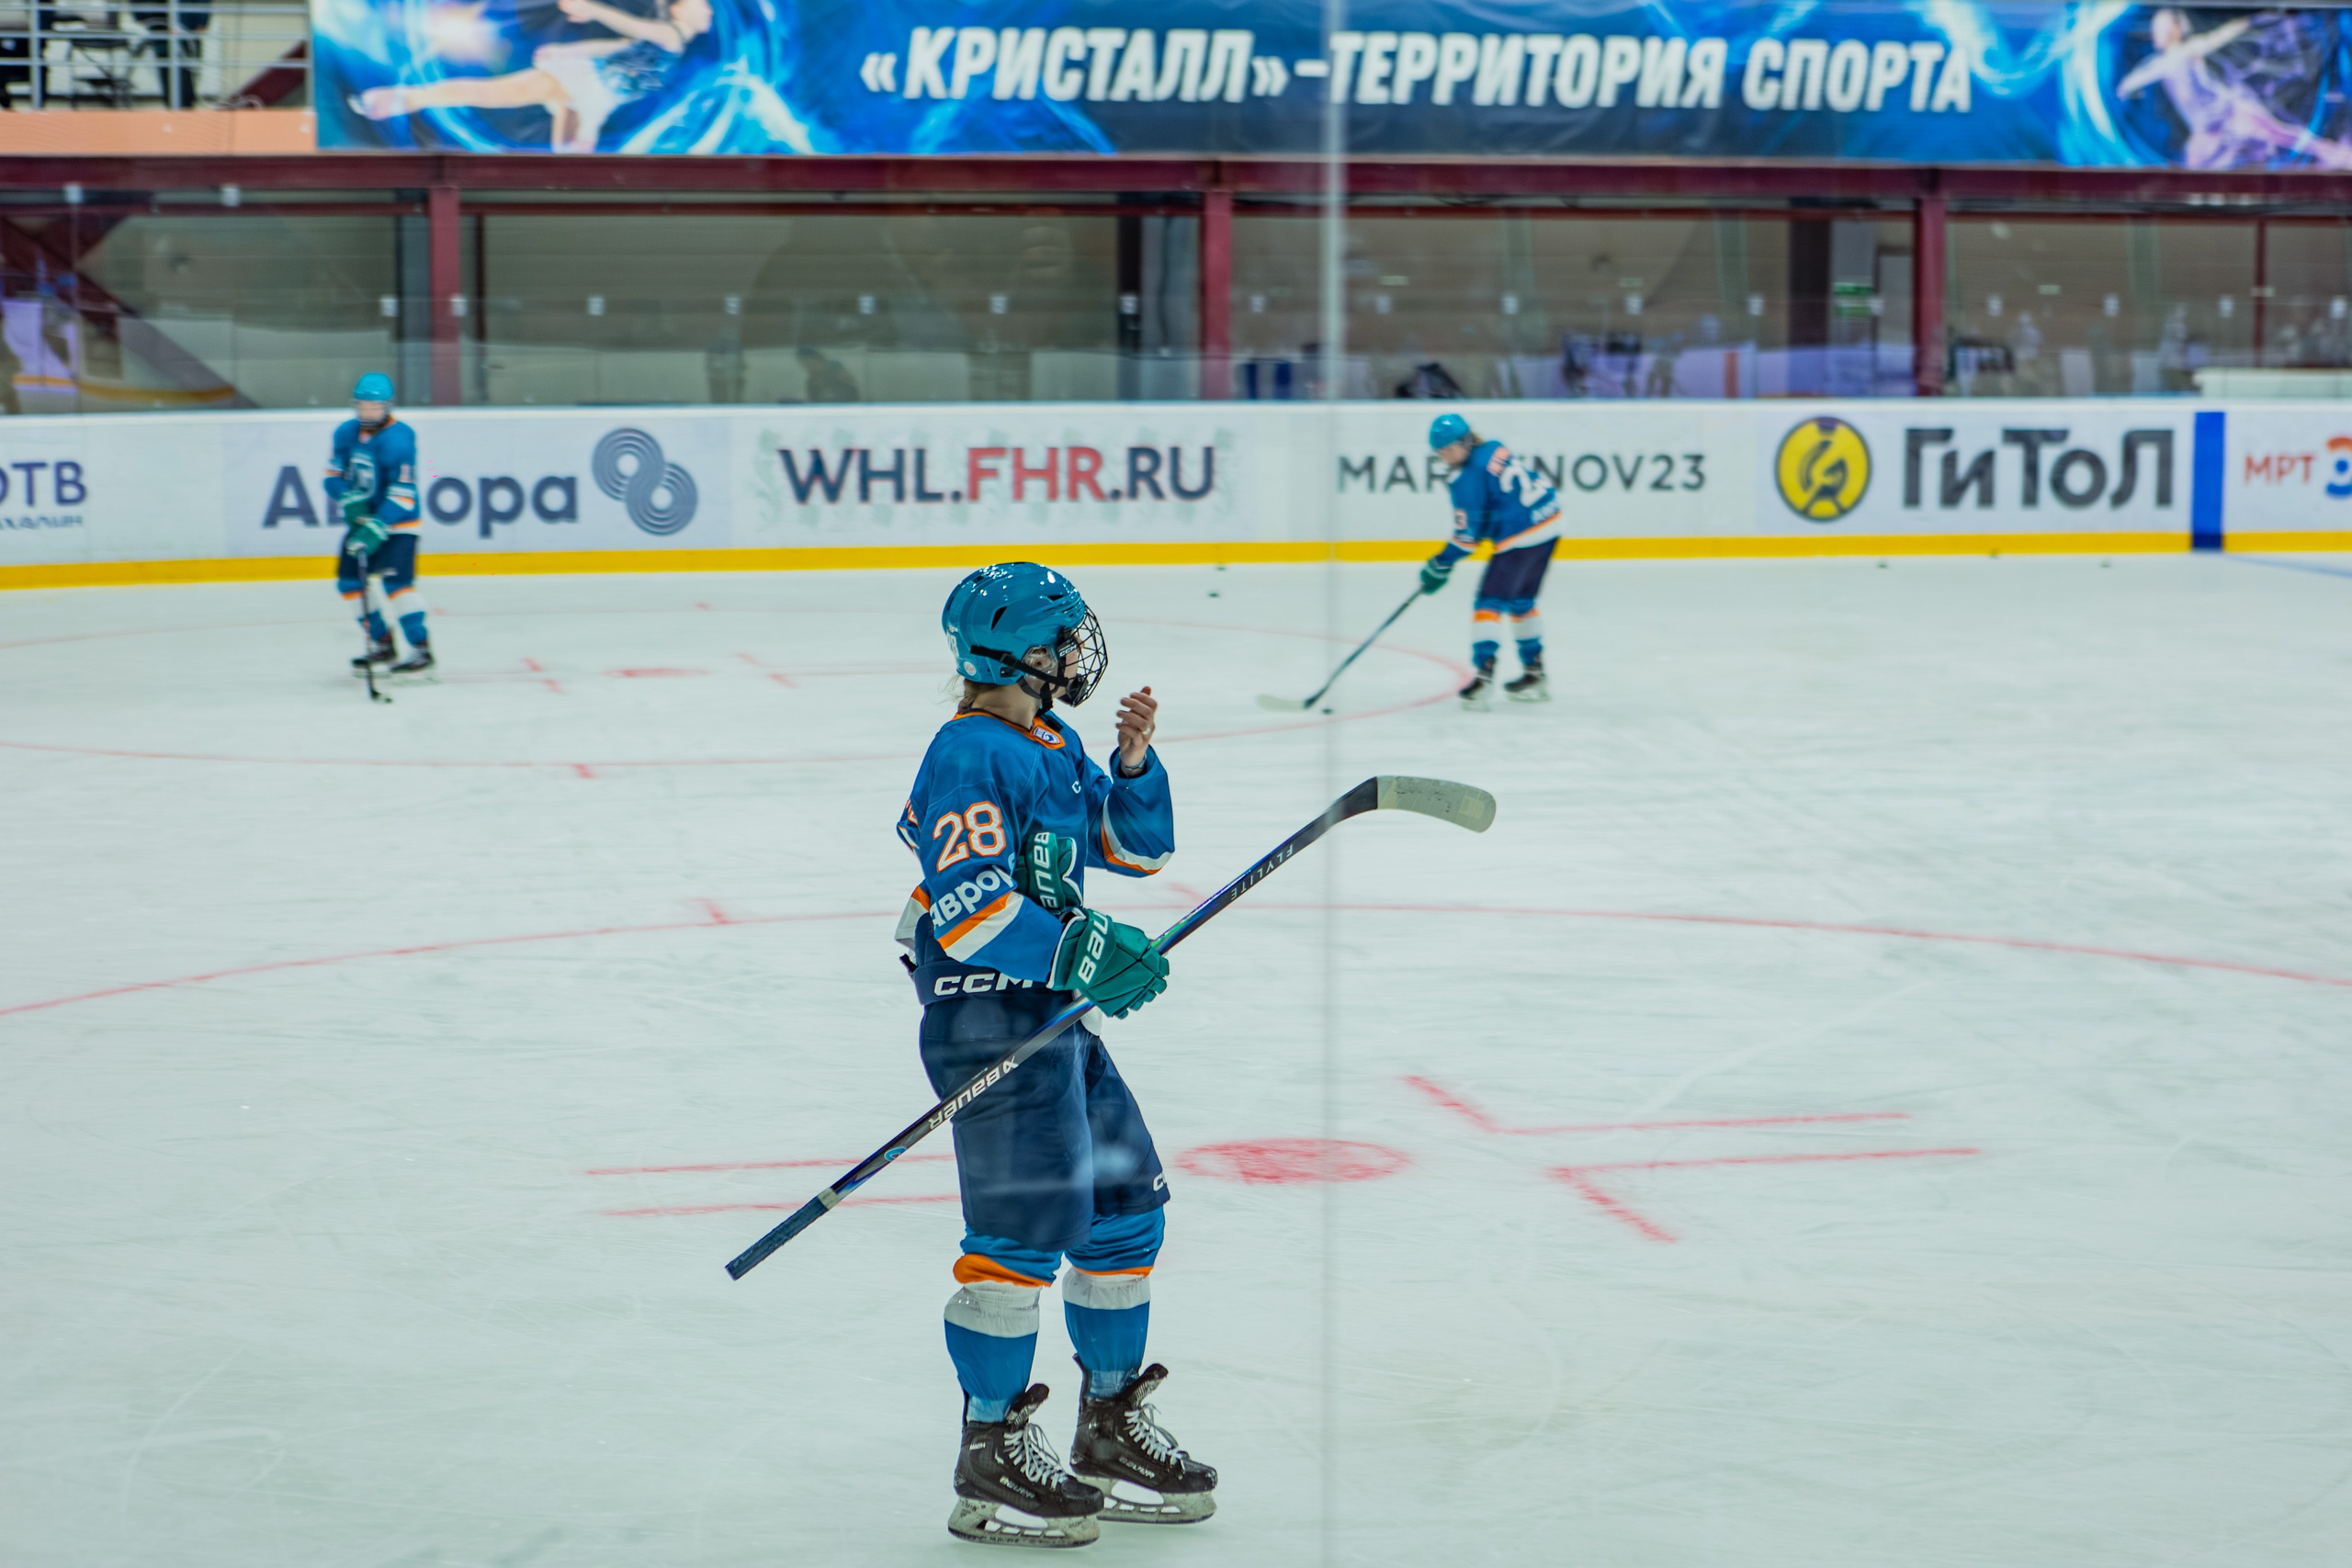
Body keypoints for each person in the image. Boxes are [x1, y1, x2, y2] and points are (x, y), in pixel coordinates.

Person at [897, 562, 1216, 1549]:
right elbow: (972, 905)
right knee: (1021, 1236)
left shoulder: (1051, 739)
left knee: (1124, 1217)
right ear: (1015, 655)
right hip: (988, 1018)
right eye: (1060, 640)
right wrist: (1084, 948)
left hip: (1054, 1017)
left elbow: (1135, 853)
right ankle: (988, 1451)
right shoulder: (966, 753)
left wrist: (1131, 766)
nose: (1076, 652)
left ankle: (1110, 1423)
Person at [352, 0, 713, 155]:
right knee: (488, 94)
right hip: (584, 85)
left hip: (597, 100)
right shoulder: (669, 33)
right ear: (680, 10)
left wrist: (566, 51)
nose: (709, 9)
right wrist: (590, 13)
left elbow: (618, 44)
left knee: (567, 162)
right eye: (704, 3)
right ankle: (401, 98)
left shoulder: (670, 41)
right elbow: (628, 29)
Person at [1417, 412, 1562, 707]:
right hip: (1550, 523)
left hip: (1521, 535)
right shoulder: (1493, 447)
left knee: (1488, 603)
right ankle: (1535, 673)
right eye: (1440, 452)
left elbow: (1467, 538)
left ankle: (1483, 679)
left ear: (1466, 441)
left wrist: (1441, 563)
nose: (1445, 457)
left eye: (1448, 449)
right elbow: (1489, 510)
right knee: (1522, 602)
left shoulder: (1466, 479)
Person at [327, 372, 431, 678]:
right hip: (363, 522)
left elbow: (403, 495)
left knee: (396, 585)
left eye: (374, 407)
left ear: (387, 406)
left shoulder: (400, 439)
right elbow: (332, 476)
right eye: (362, 406)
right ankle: (382, 642)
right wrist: (347, 499)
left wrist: (379, 524)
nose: (368, 412)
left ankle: (421, 651)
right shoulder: (345, 433)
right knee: (349, 583)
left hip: (400, 524)